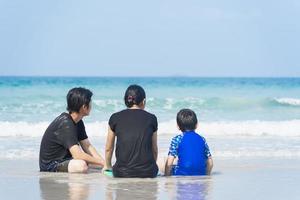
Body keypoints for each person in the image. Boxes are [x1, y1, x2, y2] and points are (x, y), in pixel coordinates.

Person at [39, 87, 104, 173]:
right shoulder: (66, 123)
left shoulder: (78, 122)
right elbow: (77, 155)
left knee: (96, 164)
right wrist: (102, 162)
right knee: (81, 165)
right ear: (84, 107)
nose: (91, 105)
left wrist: (104, 164)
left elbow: (87, 146)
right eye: (90, 102)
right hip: (51, 165)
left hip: (66, 160)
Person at [104, 84, 158, 177]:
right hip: (148, 172)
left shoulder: (115, 117)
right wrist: (150, 167)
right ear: (143, 101)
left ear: (126, 100)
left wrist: (108, 166)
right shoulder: (152, 118)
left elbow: (109, 148)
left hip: (121, 173)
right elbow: (154, 149)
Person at [165, 109, 213, 176]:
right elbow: (210, 163)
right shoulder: (202, 139)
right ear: (196, 124)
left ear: (178, 126)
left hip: (182, 174)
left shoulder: (177, 139)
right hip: (200, 173)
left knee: (167, 164)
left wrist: (167, 176)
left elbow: (169, 163)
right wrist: (206, 175)